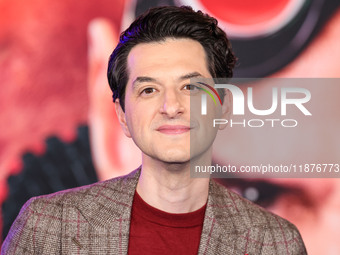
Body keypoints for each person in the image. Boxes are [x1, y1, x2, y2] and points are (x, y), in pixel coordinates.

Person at [2, 6, 306, 254]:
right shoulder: (48, 227)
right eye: (148, 90)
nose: (171, 106)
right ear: (120, 114)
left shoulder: (274, 242)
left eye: (191, 87)